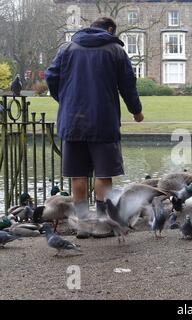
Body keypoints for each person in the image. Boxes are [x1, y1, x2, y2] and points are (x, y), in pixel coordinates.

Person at [45, 17, 144, 239]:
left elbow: (51, 76)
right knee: (104, 173)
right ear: (110, 30)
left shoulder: (68, 48)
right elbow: (128, 84)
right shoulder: (115, 51)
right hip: (103, 119)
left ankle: (82, 225)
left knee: (78, 175)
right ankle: (101, 225)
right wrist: (136, 111)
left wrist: (65, 99)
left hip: (72, 121)